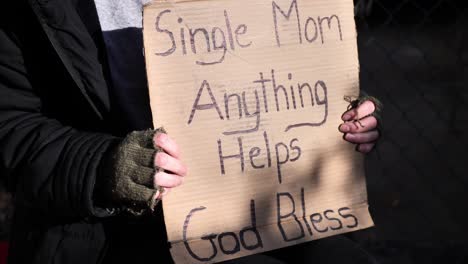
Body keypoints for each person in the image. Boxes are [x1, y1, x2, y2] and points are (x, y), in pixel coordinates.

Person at [0, 0, 381, 263]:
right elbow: (12, 127)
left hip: (273, 214)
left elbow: (289, 70)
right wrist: (107, 166)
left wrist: (339, 112)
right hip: (105, 232)